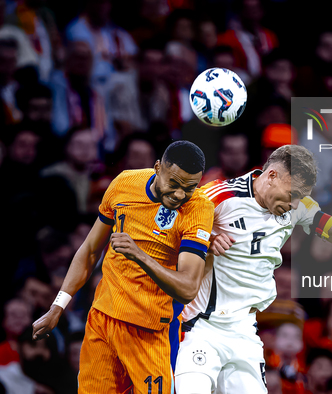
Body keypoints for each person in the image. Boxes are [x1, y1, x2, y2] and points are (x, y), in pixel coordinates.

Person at [175, 145, 332, 394]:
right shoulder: (219, 196)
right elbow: (170, 233)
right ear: (271, 176)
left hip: (243, 331)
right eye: (292, 193)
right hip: (202, 327)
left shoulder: (301, 206)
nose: (295, 204)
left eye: (301, 195)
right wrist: (204, 241)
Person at [31, 140, 214, 394]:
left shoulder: (198, 208)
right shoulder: (124, 184)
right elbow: (90, 250)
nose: (180, 195)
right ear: (158, 167)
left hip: (149, 331)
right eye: (174, 184)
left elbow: (187, 288)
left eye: (190, 187)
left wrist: (139, 255)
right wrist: (58, 305)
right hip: (103, 321)